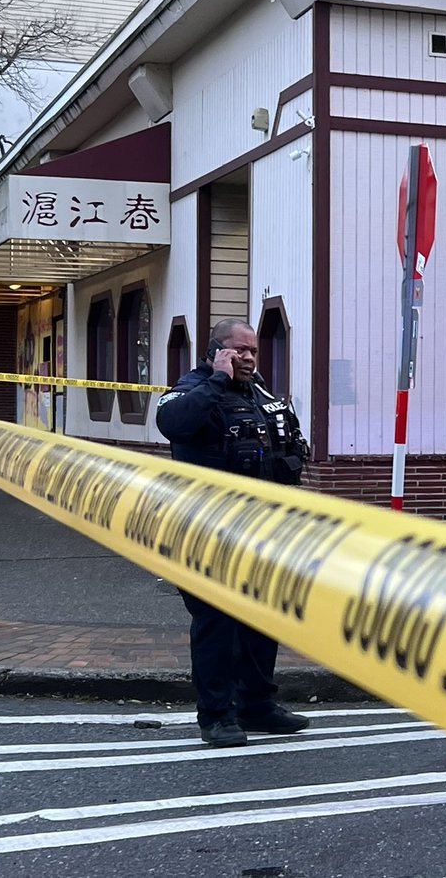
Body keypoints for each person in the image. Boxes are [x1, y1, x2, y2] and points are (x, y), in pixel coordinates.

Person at [157, 317, 312, 748]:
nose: (247, 358)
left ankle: (257, 705)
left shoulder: (259, 393)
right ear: (216, 352)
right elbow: (173, 424)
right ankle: (217, 717)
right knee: (217, 624)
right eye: (238, 351)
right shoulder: (192, 388)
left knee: (262, 619)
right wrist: (217, 382)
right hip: (205, 530)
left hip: (261, 530)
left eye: (253, 351)